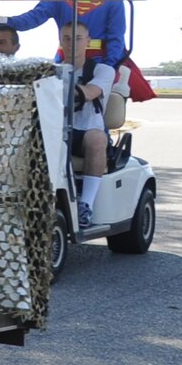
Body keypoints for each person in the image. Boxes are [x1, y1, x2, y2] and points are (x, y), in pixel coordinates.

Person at [0, 0, 129, 128]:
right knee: (52, 111)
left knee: (92, 113)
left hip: (97, 62)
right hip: (65, 59)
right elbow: (35, 17)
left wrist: (108, 68)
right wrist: (6, 21)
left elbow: (116, 38)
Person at [59, 22, 115, 230]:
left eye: (77, 38)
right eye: (66, 38)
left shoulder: (102, 71)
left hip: (85, 134)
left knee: (97, 139)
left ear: (88, 41)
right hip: (57, 132)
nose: (71, 43)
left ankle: (85, 205)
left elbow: (90, 93)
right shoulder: (52, 71)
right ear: (60, 41)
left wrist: (58, 85)